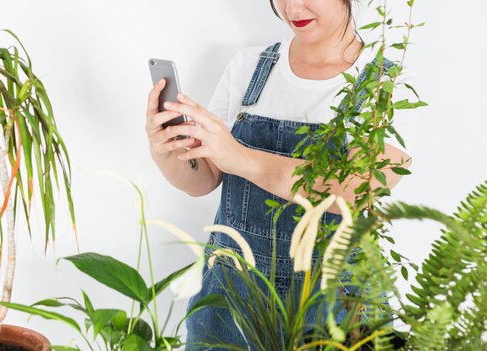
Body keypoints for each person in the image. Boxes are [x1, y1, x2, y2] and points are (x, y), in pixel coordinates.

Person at [145, 0, 412, 349]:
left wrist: (239, 156)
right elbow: (203, 179)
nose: (292, 7)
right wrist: (165, 150)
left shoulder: (387, 80)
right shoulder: (248, 66)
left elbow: (355, 189)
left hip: (334, 303)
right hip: (231, 296)